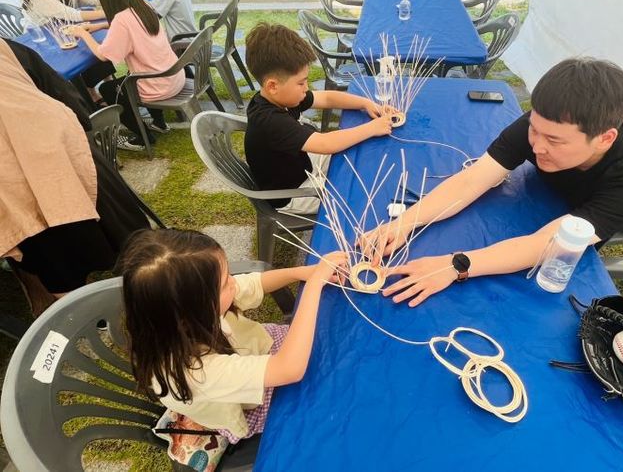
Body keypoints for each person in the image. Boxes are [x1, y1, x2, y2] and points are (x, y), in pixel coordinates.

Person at [363, 57, 623, 307]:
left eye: (554, 141)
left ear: (605, 139)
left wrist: (456, 265)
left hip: (575, 227)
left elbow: (549, 243)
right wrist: (404, 222)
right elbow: (473, 179)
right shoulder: (542, 125)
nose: (537, 146)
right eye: (534, 130)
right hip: (538, 199)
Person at [119, 228, 347, 442]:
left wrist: (304, 272)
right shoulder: (194, 373)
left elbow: (254, 282)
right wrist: (314, 285)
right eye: (225, 283)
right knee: (334, 403)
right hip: (250, 403)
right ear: (190, 313)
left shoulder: (179, 315)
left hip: (260, 350)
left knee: (334, 346)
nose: (234, 283)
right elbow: (289, 369)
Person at [0, 38, 150, 309]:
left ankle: (85, 316)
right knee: (117, 232)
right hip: (56, 149)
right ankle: (147, 287)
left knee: (52, 256)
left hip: (25, 179)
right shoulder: (7, 47)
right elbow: (64, 94)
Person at [244, 23, 393, 214]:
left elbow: (327, 97)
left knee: (359, 156)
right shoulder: (269, 121)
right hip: (293, 194)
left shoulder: (281, 95)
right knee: (360, 195)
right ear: (272, 86)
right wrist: (372, 127)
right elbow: (325, 144)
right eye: (301, 82)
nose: (306, 88)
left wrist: (365, 103)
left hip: (303, 165)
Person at [69, 0, 185, 151]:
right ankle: (159, 123)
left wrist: (83, 34)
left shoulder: (122, 19)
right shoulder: (143, 5)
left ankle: (142, 137)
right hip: (173, 76)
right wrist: (100, 26)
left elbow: (104, 55)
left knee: (108, 89)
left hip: (157, 86)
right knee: (128, 80)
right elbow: (132, 28)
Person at [23, 0, 113, 105]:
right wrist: (109, 11)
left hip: (68, 35)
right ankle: (92, 96)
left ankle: (108, 84)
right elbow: (73, 15)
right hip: (50, 45)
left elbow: (94, 0)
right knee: (88, 47)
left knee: (93, 44)